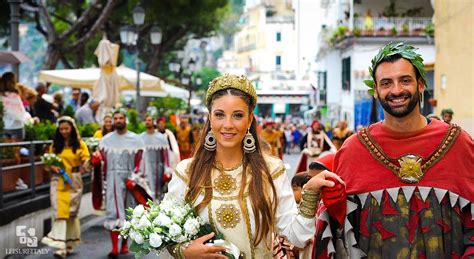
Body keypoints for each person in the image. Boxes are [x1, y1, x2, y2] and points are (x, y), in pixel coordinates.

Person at [312, 42, 474, 258]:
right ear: (376, 92)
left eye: (405, 80)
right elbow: (339, 236)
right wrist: (332, 208)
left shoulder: (459, 144)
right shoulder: (353, 151)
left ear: (421, 85)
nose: (396, 90)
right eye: (386, 83)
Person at [166, 74, 342, 258]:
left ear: (250, 120)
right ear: (210, 118)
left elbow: (296, 237)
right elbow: (164, 234)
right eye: (219, 115)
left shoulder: (271, 170)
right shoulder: (187, 172)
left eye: (237, 115)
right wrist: (184, 251)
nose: (228, 125)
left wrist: (311, 192)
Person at [92, 109, 145, 258]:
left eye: (121, 118)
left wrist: (134, 179)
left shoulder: (136, 140)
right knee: (112, 212)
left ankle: (124, 245)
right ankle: (114, 247)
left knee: (128, 213)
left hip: (129, 181)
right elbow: (102, 161)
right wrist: (97, 162)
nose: (118, 120)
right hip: (112, 181)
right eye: (116, 118)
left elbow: (140, 162)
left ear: (125, 119)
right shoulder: (106, 140)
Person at [41, 116, 90, 257]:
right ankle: (60, 245)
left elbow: (86, 162)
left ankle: (70, 243)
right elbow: (49, 162)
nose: (64, 131)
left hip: (74, 181)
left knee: (71, 212)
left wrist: (90, 161)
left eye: (66, 128)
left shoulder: (80, 144)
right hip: (58, 181)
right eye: (61, 129)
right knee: (60, 212)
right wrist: (52, 167)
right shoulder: (55, 145)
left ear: (72, 129)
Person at [139, 115, 170, 200]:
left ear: (153, 122)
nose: (147, 122)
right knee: (145, 191)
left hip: (157, 170)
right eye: (146, 120)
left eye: (149, 120)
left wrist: (167, 170)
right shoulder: (140, 138)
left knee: (158, 193)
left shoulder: (161, 138)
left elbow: (166, 155)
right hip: (144, 170)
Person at [0, 72, 30, 140]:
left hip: (4, 126)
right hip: (17, 126)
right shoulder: (15, 95)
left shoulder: (1, 96)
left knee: (4, 149)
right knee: (16, 149)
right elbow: (21, 112)